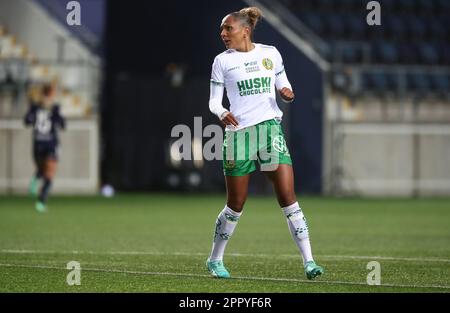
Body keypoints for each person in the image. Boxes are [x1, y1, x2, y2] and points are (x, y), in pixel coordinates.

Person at [206, 7, 324, 279]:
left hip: (270, 131)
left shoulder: (270, 54)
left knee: (289, 199)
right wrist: (222, 112)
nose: (223, 34)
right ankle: (215, 259)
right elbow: (213, 100)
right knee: (236, 204)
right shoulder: (222, 61)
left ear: (245, 31)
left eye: (228, 28)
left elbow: (285, 86)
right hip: (239, 135)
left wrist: (287, 93)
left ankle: (309, 262)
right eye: (222, 29)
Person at [24, 84, 65, 212]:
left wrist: (33, 109)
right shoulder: (55, 107)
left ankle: (35, 179)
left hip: (37, 143)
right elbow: (62, 124)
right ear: (51, 93)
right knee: (50, 174)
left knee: (42, 170)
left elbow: (27, 121)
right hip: (51, 143)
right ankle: (41, 202)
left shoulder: (35, 106)